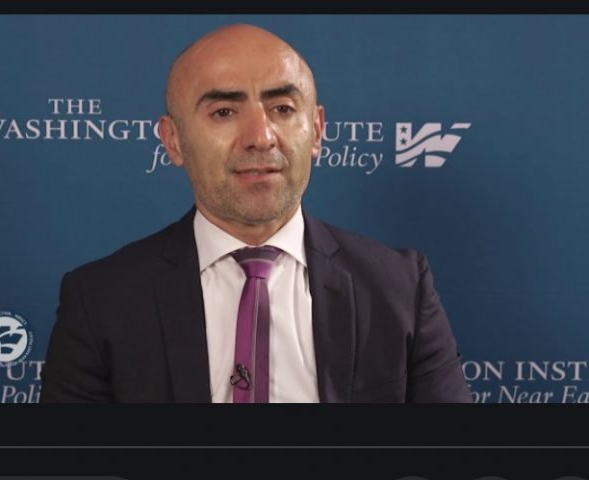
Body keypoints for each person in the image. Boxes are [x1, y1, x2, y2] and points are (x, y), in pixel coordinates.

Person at [40, 23, 472, 403]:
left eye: (282, 109)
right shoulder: (100, 301)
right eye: (224, 112)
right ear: (173, 140)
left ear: (317, 130)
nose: (261, 137)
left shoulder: (401, 288)